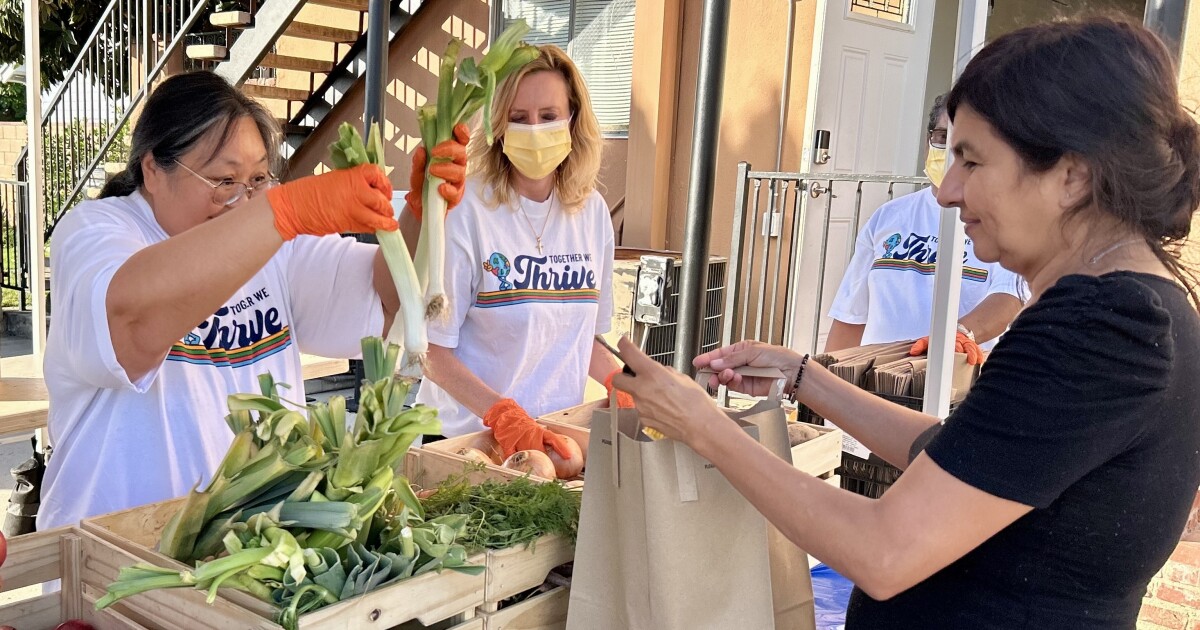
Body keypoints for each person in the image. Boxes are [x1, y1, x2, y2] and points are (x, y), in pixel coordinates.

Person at [612, 17, 1200, 628]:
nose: (947, 191)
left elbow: (884, 551)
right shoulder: (1144, 309)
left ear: (1071, 175)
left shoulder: (1103, 326)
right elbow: (962, 458)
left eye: (972, 161)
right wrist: (802, 375)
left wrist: (701, 424)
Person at [37, 70, 430, 530]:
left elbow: (385, 302)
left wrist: (422, 210)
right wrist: (283, 211)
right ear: (152, 169)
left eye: (259, 178)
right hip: (111, 555)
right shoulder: (96, 232)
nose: (244, 201)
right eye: (224, 180)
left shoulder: (274, 246)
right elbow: (131, 323)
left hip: (249, 555)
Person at [398, 45, 628, 457]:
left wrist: (620, 382)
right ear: (498, 125)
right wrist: (500, 414)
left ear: (573, 120)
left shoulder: (591, 212)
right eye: (518, 118)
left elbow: (585, 336)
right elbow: (431, 350)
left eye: (548, 116)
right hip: (465, 442)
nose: (534, 130)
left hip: (555, 441)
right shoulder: (465, 209)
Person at [826, 94, 1025, 363]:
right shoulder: (887, 217)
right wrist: (822, 380)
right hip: (878, 382)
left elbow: (1008, 298)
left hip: (957, 382)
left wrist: (958, 335)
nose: (951, 151)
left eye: (965, 144)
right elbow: (850, 317)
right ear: (927, 141)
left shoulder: (1002, 221)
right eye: (943, 137)